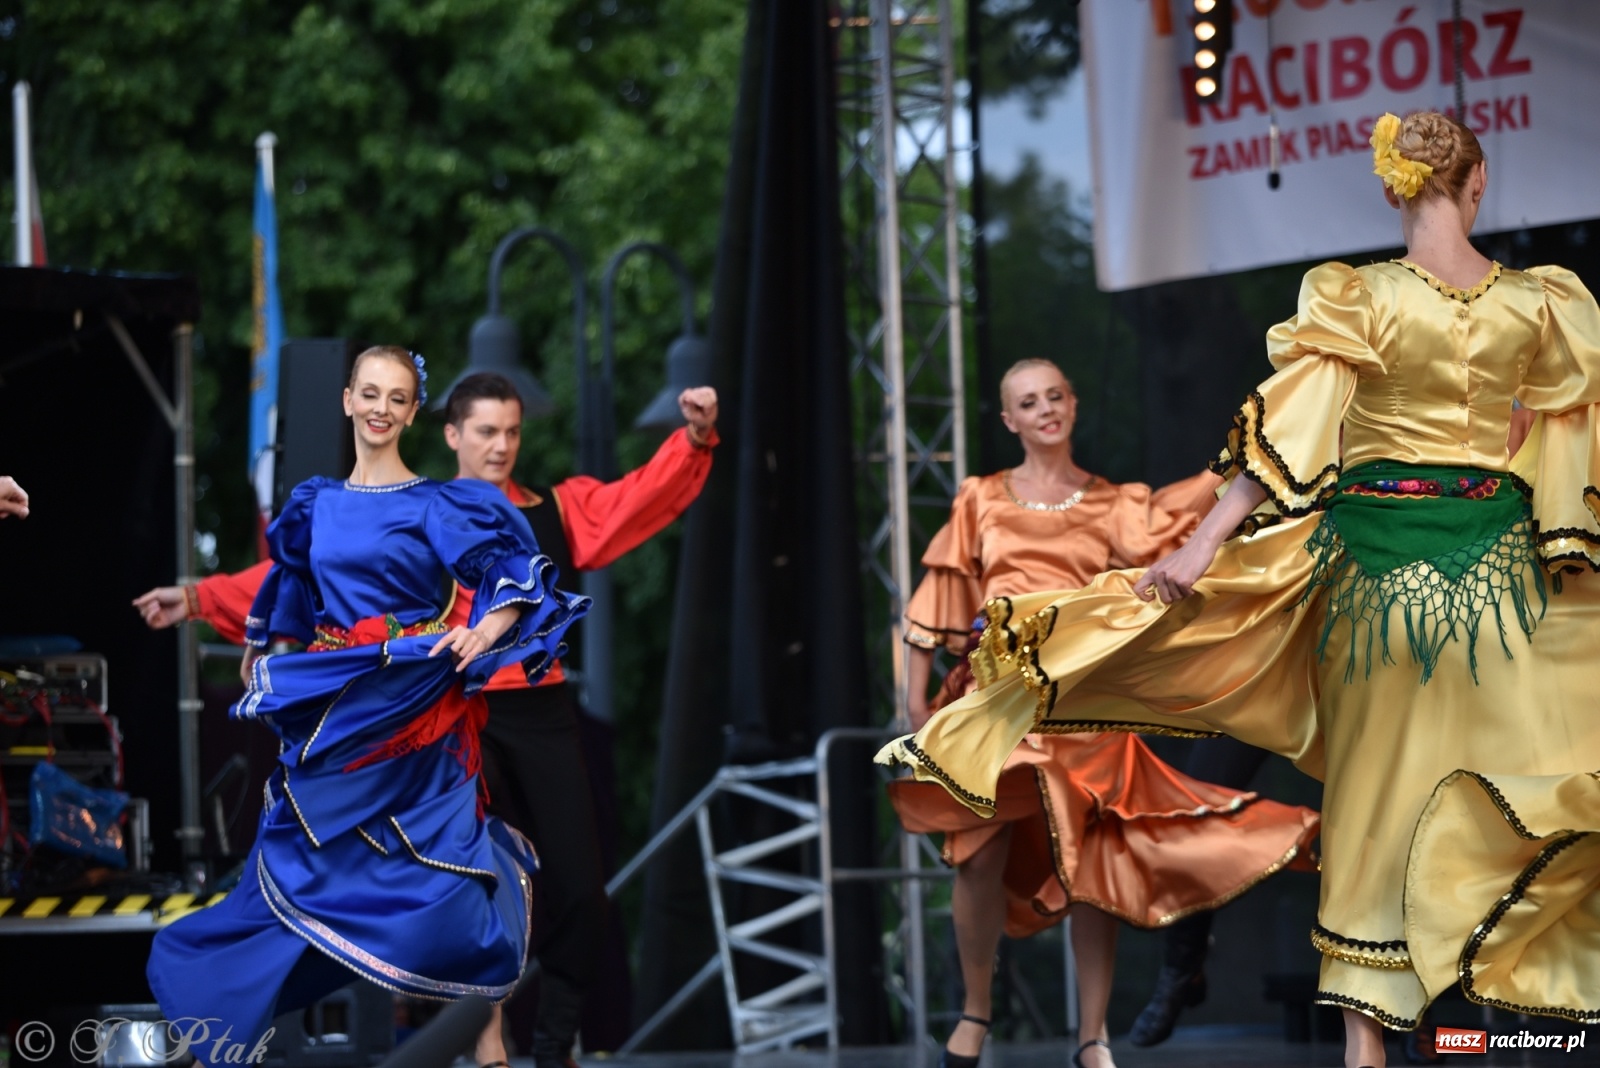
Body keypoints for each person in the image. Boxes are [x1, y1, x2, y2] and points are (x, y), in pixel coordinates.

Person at [879, 112, 1600, 1068]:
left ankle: (1370, 1052)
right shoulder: (1543, 305)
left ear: (1394, 188)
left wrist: (1202, 547)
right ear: (1477, 185)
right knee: (1516, 786)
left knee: (1380, 804)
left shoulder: (1359, 298)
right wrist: (1557, 537)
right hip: (1503, 587)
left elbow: (1292, 432)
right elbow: (1559, 435)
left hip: (1380, 584)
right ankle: (1478, 1035)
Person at [135, 371, 719, 1068]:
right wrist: (201, 598)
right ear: (451, 434)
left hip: (532, 710)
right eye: (486, 432)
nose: (501, 446)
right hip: (446, 707)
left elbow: (634, 501)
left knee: (582, 894)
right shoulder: (417, 508)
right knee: (452, 871)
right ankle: (486, 1043)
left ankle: (553, 1048)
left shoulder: (549, 513)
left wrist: (695, 440)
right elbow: (302, 573)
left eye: (511, 432)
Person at [890, 359, 1319, 1068]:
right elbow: (942, 588)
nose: (1046, 409)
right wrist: (913, 700)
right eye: (1029, 402)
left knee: (1088, 861)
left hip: (1080, 700)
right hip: (999, 699)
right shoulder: (981, 498)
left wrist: (1266, 438)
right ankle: (974, 1011)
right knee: (978, 852)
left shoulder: (1114, 504)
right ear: (1010, 420)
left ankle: (1093, 1035)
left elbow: (1186, 512)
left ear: (1073, 404)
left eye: (1056, 395)